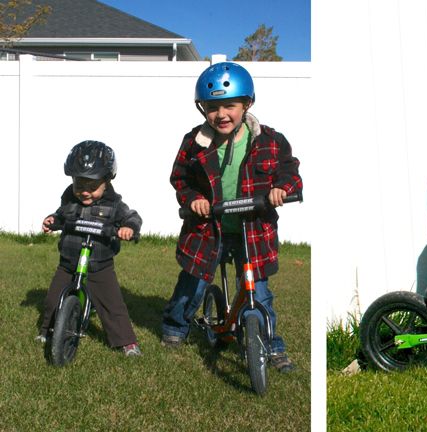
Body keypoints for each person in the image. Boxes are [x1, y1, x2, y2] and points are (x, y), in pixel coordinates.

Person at [162, 62, 303, 373]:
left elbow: (290, 170)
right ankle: (175, 325)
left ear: (246, 104)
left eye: (230, 106)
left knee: (258, 292)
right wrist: (194, 199)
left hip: (252, 230)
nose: (221, 114)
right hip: (208, 228)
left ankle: (270, 344)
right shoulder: (194, 142)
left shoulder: (269, 141)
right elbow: (180, 178)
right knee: (193, 282)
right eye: (212, 107)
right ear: (202, 108)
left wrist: (282, 188)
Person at [39, 140, 143, 357]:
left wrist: (128, 228)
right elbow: (61, 215)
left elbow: (132, 216)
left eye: (92, 187)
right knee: (52, 300)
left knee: (111, 304)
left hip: (99, 263)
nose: (84, 192)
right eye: (79, 185)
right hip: (68, 261)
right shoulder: (70, 199)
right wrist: (52, 220)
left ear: (107, 181)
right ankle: (47, 330)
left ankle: (126, 342)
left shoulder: (114, 205)